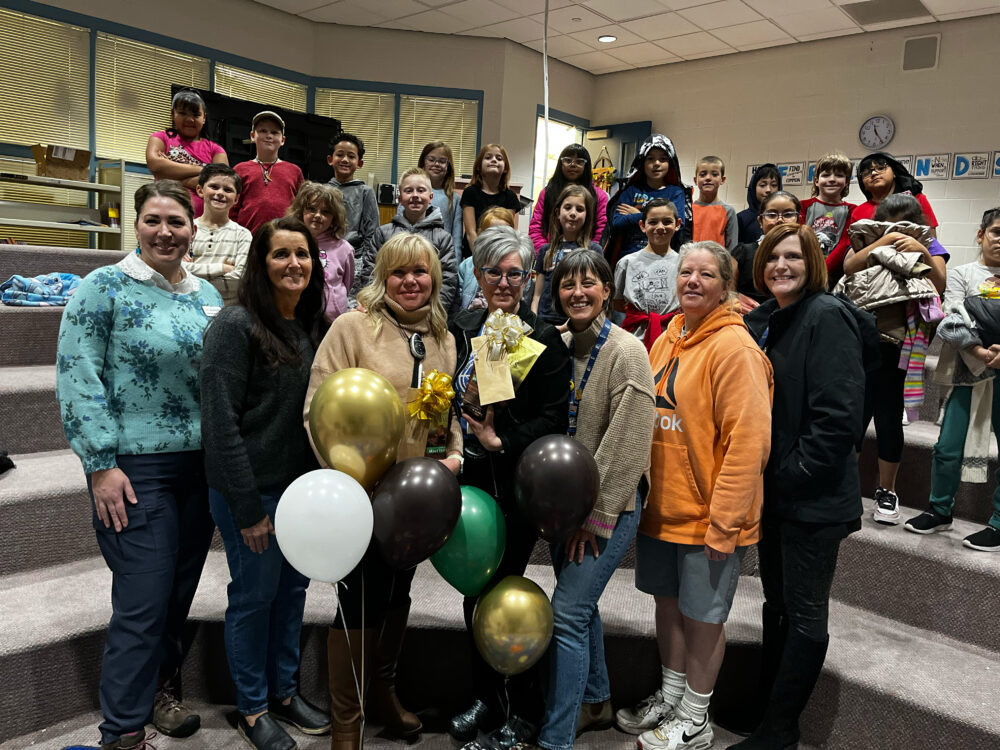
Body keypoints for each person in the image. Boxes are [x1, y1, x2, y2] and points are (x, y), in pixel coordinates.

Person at [55, 180, 223, 749]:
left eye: (177, 222)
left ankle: (158, 694)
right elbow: (78, 374)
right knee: (144, 601)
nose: (165, 232)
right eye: (154, 220)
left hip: (199, 469)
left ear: (194, 230)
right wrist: (100, 464)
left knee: (177, 597)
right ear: (136, 224)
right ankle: (122, 734)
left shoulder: (208, 296)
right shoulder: (102, 288)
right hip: (133, 468)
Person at [304, 233, 463, 749]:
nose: (410, 282)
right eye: (399, 272)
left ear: (434, 278)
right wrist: (345, 477)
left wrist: (451, 452)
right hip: (360, 493)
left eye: (420, 272)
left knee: (398, 594)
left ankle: (383, 694)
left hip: (414, 497)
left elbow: (442, 411)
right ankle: (347, 726)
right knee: (359, 601)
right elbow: (317, 409)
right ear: (383, 277)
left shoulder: (442, 333)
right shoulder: (353, 326)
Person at [615, 241, 773, 750]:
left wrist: (725, 524)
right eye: (686, 272)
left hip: (711, 517)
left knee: (704, 619)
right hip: (664, 509)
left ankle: (696, 718)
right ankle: (671, 697)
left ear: (727, 286)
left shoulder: (737, 349)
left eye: (706, 274)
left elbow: (748, 445)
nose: (692, 281)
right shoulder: (669, 337)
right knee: (668, 607)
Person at [201, 217, 331, 750]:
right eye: (281, 255)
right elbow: (219, 422)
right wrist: (249, 508)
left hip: (299, 493)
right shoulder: (234, 326)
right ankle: (252, 709)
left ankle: (283, 691)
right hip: (251, 492)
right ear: (262, 262)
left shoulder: (314, 327)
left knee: (293, 594)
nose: (294, 264)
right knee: (254, 597)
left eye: (302, 254)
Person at [736, 223, 867, 750]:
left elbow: (838, 421)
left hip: (812, 498)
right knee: (777, 603)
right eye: (771, 258)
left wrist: (788, 477)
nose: (780, 267)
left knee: (805, 610)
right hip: (777, 493)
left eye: (792, 257)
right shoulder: (769, 319)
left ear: (812, 263)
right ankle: (768, 709)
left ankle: (782, 727)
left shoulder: (827, 317)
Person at [448, 226, 570, 747]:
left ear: (528, 278)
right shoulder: (463, 326)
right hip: (469, 483)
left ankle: (521, 711)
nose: (504, 281)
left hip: (514, 484)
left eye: (514, 273)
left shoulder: (542, 338)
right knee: (473, 595)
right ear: (477, 274)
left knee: (505, 597)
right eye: (493, 272)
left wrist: (503, 441)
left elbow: (553, 418)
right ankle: (484, 698)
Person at [537, 250, 656, 750]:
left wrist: (597, 518)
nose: (578, 293)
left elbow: (628, 444)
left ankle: (556, 738)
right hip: (564, 506)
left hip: (610, 506)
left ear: (608, 289)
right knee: (580, 607)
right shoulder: (555, 343)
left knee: (565, 614)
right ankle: (597, 700)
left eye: (589, 283)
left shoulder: (627, 352)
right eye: (568, 285)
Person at [843, 193, 947, 524]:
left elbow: (941, 282)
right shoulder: (867, 237)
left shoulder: (929, 245)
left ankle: (887, 491)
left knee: (888, 416)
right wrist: (883, 241)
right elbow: (848, 267)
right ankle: (847, 486)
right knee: (854, 416)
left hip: (899, 344)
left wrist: (920, 251)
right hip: (860, 340)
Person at [904, 208, 1000, 552]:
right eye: (996, 232)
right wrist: (977, 351)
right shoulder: (962, 274)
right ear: (980, 235)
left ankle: (999, 524)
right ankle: (940, 509)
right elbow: (950, 320)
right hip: (967, 371)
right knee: (947, 448)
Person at [605, 134, 692, 269]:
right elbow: (617, 222)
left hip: (662, 260)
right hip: (628, 260)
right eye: (650, 159)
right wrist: (659, 217)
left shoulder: (676, 192)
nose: (656, 163)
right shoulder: (631, 190)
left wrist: (639, 214)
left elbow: (678, 222)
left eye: (663, 159)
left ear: (670, 163)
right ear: (642, 163)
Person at [377, 167, 458, 311]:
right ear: (400, 198)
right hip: (388, 311)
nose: (415, 195)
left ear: (431, 197)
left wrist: (433, 311)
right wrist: (381, 308)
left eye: (421, 190)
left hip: (429, 313)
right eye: (408, 191)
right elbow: (372, 272)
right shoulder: (383, 234)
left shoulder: (443, 238)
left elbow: (448, 280)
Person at [146, 89, 228, 217]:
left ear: (204, 118)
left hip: (204, 224)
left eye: (196, 115)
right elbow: (156, 165)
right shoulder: (161, 138)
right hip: (164, 216)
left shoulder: (216, 150)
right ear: (173, 114)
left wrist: (170, 175)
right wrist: (205, 170)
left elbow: (221, 181)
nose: (189, 119)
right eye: (183, 113)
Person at [613, 198, 682, 349]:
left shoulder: (684, 263)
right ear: (642, 226)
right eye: (653, 222)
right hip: (634, 339)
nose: (660, 227)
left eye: (667, 221)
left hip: (673, 336)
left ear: (677, 224)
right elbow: (617, 303)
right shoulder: (627, 263)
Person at [531, 184, 603, 324]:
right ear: (558, 213)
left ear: (587, 215)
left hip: (578, 322)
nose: (573, 213)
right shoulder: (546, 250)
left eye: (580, 209)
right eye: (568, 207)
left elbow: (598, 295)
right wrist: (535, 321)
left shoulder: (594, 251)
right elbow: (537, 295)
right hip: (545, 321)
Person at [286, 181, 354, 323]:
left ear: (334, 217)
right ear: (300, 211)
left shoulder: (344, 248)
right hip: (297, 317)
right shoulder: (289, 242)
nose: (317, 215)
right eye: (311, 209)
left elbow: (347, 283)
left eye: (325, 212)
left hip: (332, 320)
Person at [185, 163, 252, 306]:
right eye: (214, 187)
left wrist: (191, 271)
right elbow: (173, 272)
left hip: (227, 312)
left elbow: (239, 280)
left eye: (228, 190)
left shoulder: (243, 235)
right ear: (200, 190)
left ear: (236, 199)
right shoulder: (184, 229)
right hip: (188, 308)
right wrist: (222, 268)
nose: (220, 193)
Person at [327, 132, 380, 302]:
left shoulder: (365, 192)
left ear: (359, 163)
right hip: (326, 257)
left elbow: (373, 234)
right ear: (330, 159)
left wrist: (366, 265)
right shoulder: (322, 191)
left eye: (351, 156)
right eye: (340, 155)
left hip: (356, 260)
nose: (345, 160)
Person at [233, 111, 305, 234]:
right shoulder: (240, 169)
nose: (269, 135)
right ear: (252, 136)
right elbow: (232, 208)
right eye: (263, 131)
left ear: (282, 140)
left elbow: (302, 208)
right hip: (247, 239)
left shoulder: (295, 171)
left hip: (285, 237)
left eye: (274, 132)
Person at [529, 144, 609, 252]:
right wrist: (546, 253)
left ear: (586, 166)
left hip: (584, 258)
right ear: (560, 164)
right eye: (567, 160)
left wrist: (588, 256)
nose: (573, 165)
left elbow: (601, 231)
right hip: (550, 256)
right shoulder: (547, 193)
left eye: (579, 161)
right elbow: (536, 227)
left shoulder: (599, 196)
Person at [732, 191, 802, 308]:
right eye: (772, 214)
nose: (780, 220)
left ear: (798, 220)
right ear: (760, 221)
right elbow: (724, 291)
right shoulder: (742, 253)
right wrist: (734, 298)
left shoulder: (807, 254)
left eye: (788, 214)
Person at [799, 153, 856, 281]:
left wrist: (822, 271)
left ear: (847, 182)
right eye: (826, 175)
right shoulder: (802, 206)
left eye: (839, 175)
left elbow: (843, 244)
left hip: (832, 274)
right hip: (803, 269)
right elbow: (799, 239)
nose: (832, 179)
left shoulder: (852, 210)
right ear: (816, 181)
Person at [850, 152, 939, 231]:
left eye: (881, 168)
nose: (873, 173)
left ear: (894, 173)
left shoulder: (917, 199)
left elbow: (931, 240)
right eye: (866, 173)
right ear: (863, 185)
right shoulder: (858, 212)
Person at [461, 143, 521, 255]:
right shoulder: (470, 192)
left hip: (499, 253)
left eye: (499, 158)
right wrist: (480, 258)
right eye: (488, 157)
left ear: (505, 168)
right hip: (473, 253)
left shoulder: (510, 197)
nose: (494, 160)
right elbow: (470, 233)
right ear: (479, 166)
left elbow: (506, 232)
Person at [458, 207, 516, 311]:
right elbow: (457, 301)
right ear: (481, 234)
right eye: (491, 233)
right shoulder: (467, 265)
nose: (497, 238)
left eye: (503, 233)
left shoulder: (517, 266)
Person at [416, 141, 464, 266]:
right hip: (415, 257)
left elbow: (456, 239)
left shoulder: (454, 199)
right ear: (423, 163)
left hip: (443, 261)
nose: (436, 164)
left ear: (448, 167)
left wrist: (455, 267)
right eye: (431, 160)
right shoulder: (413, 194)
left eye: (442, 161)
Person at [691, 156, 737, 251]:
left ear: (722, 180)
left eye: (714, 174)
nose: (708, 178)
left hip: (717, 264)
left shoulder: (728, 211)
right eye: (703, 174)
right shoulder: (688, 210)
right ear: (696, 180)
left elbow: (732, 247)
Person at [736, 164, 781, 245]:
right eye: (763, 185)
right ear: (754, 188)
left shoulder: (784, 218)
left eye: (773, 185)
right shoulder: (741, 218)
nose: (768, 190)